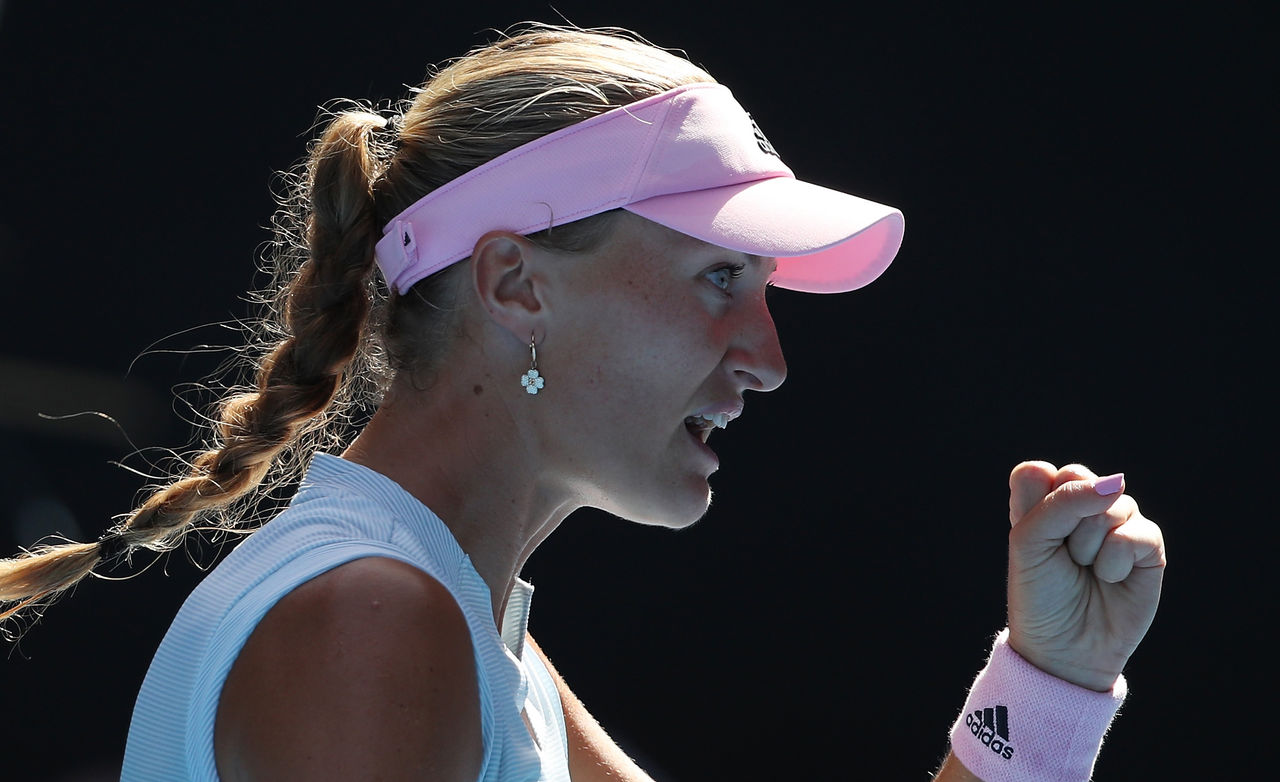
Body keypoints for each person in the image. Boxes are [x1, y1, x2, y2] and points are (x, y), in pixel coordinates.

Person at [0, 24, 1165, 782]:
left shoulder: (457, 622)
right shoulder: (375, 617)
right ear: (515, 283)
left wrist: (1047, 678)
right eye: (718, 277)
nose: (767, 357)